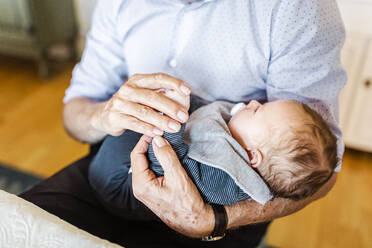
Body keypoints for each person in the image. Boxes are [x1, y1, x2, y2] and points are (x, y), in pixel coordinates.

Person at [20, 0, 346, 247]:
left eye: (259, 109)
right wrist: (103, 114)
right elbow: (74, 113)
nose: (253, 105)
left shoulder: (297, 9)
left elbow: (318, 170)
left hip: (222, 215)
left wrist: (214, 218)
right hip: (120, 167)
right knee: (26, 226)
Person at [89, 97, 338, 221]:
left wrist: (174, 122)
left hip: (120, 182)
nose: (253, 102)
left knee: (133, 127)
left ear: (252, 156)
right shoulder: (238, 139)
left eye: (258, 110)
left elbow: (166, 164)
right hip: (131, 167)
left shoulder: (223, 177)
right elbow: (206, 119)